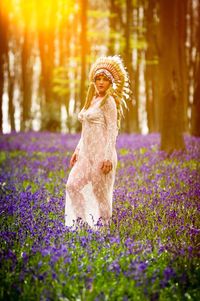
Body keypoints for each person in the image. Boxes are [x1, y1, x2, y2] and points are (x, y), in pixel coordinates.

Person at [65, 55, 130, 229]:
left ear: (110, 83)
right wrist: (78, 150)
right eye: (98, 79)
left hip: (102, 155)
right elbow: (85, 130)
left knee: (100, 193)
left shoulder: (109, 102)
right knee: (72, 185)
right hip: (86, 154)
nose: (101, 82)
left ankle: (105, 229)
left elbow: (112, 130)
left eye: (105, 80)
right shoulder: (91, 100)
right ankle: (82, 224)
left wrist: (108, 157)